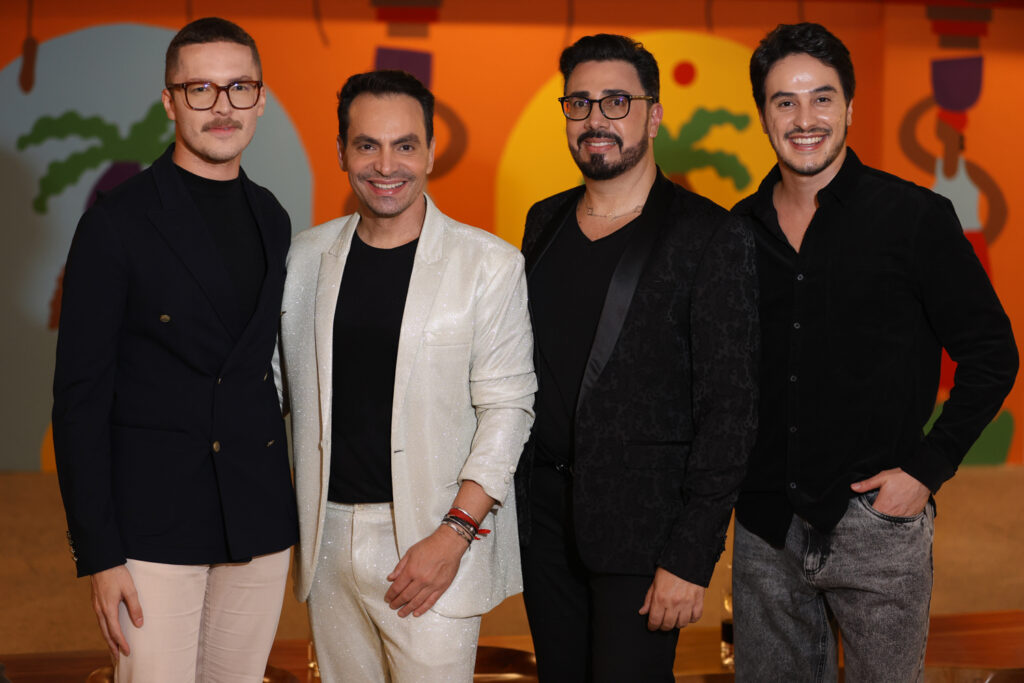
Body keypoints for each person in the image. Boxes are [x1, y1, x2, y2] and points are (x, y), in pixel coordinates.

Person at [731, 22, 1018, 683]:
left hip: (877, 525)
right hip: (766, 530)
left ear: (850, 107)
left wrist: (926, 468)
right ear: (764, 114)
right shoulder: (735, 232)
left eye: (822, 97)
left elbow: (991, 352)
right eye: (784, 101)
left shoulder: (915, 219)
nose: (805, 118)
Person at [52, 16, 298, 682]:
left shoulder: (272, 216)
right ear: (170, 100)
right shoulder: (116, 221)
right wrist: (100, 554)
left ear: (261, 98)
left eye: (239, 87)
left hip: (257, 519)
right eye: (200, 89)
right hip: (151, 528)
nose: (223, 107)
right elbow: (79, 400)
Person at [515, 34, 759, 682]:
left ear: (653, 116)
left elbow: (731, 410)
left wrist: (691, 555)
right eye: (580, 103)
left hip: (645, 532)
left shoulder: (710, 234)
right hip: (544, 524)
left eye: (617, 102)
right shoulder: (544, 222)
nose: (596, 119)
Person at [279, 70, 535, 682]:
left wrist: (454, 534)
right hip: (325, 539)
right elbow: (276, 387)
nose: (386, 165)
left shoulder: (489, 265)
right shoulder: (305, 256)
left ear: (431, 151)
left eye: (405, 145)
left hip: (434, 539)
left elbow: (508, 410)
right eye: (367, 145)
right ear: (341, 151)